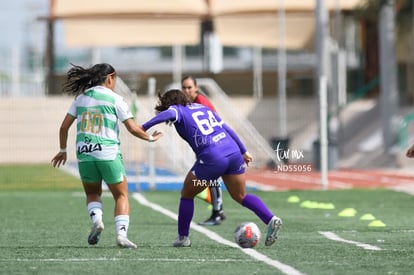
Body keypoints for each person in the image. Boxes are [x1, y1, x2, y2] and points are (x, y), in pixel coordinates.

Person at [142, 89, 282, 247]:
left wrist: (144, 127)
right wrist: (243, 151)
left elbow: (168, 114)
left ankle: (183, 238)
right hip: (233, 152)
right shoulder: (203, 107)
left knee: (187, 194)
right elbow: (228, 129)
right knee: (241, 195)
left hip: (213, 157)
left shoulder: (176, 109)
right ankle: (271, 219)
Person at [51, 63, 162, 249]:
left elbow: (64, 127)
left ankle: (97, 220)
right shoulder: (115, 99)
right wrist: (151, 138)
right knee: (121, 195)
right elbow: (133, 128)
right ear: (110, 78)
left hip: (85, 154)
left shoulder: (81, 98)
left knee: (93, 193)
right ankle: (121, 235)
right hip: (108, 153)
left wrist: (63, 150)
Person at [181, 75, 225, 226]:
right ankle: (218, 210)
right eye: (184, 87)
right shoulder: (188, 103)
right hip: (205, 147)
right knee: (208, 181)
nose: (186, 90)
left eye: (189, 87)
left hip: (213, 147)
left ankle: (217, 213)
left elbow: (217, 122)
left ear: (196, 88)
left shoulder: (201, 102)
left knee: (212, 180)